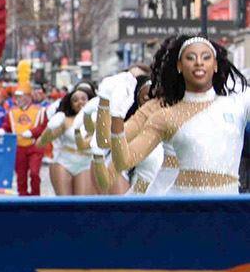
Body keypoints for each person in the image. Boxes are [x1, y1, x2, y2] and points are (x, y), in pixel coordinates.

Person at [102, 35, 247, 194]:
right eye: (191, 58)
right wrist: (116, 115)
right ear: (179, 66)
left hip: (227, 206)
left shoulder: (238, 103)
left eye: (206, 57)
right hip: (182, 206)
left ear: (216, 65)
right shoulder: (165, 115)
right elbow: (124, 161)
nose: (199, 62)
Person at [39, 83, 100, 197]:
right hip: (63, 161)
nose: (80, 102)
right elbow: (41, 142)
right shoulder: (64, 119)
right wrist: (50, 128)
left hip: (86, 163)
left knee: (83, 205)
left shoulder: (99, 119)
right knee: (64, 204)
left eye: (83, 98)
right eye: (75, 100)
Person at [7, 85, 48, 196]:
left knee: (34, 173)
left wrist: (32, 132)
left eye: (20, 96)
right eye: (16, 96)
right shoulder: (12, 111)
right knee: (21, 175)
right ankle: (23, 198)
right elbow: (7, 125)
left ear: (28, 96)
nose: (17, 99)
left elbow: (44, 126)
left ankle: (35, 197)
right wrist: (2, 129)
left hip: (35, 146)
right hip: (19, 146)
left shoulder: (40, 110)